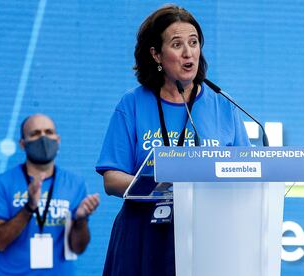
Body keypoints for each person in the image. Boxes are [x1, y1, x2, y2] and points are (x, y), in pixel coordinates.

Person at [96, 4, 251, 276]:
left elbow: (245, 172)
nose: (188, 52)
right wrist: (158, 185)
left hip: (206, 234)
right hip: (143, 235)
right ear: (156, 54)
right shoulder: (132, 104)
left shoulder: (223, 108)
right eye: (177, 44)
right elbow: (111, 179)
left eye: (193, 42)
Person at [0, 114, 100, 276]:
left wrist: (80, 220)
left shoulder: (75, 183)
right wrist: (29, 207)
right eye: (35, 133)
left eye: (49, 132)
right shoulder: (2, 183)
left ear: (58, 139)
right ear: (23, 144)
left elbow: (77, 248)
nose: (43, 138)